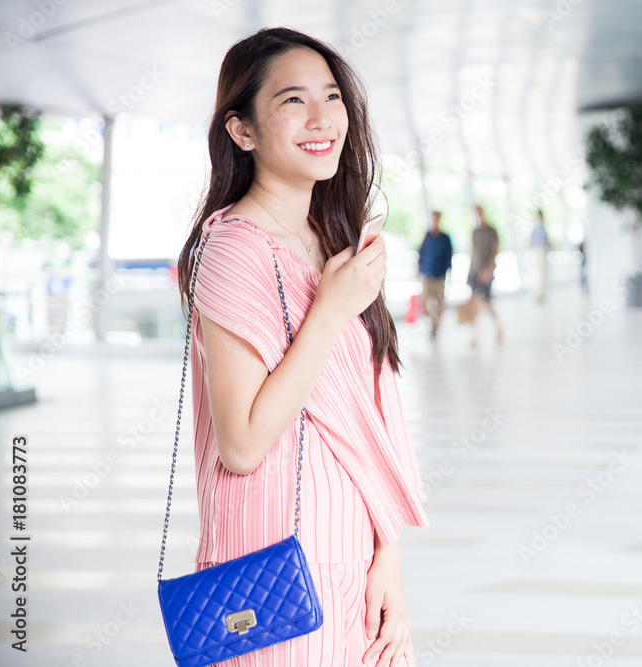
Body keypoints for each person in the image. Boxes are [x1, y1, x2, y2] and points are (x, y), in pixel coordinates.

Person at [175, 28, 427, 667]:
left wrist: (387, 557)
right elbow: (242, 443)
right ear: (243, 131)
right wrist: (330, 312)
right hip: (273, 564)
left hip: (350, 554)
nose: (323, 119)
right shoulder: (235, 249)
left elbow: (368, 419)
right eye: (293, 100)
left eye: (333, 96)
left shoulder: (332, 239)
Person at [466, 204, 503, 345]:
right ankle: (474, 334)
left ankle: (498, 327)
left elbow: (495, 251)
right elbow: (473, 252)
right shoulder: (475, 232)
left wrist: (488, 271)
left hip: (486, 272)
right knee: (473, 303)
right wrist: (469, 272)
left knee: (486, 302)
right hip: (474, 272)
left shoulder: (492, 231)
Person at [417, 210, 452, 339]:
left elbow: (449, 257)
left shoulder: (445, 238)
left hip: (439, 276)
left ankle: (436, 327)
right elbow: (422, 254)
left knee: (440, 303)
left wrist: (447, 274)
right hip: (427, 275)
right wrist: (419, 270)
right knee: (424, 304)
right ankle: (433, 321)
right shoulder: (427, 236)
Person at [531, 209, 551, 303]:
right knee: (542, 273)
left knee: (539, 273)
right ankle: (540, 294)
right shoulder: (541, 227)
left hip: (536, 251)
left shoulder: (535, 228)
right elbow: (546, 241)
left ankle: (539, 293)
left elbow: (530, 241)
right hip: (541, 251)